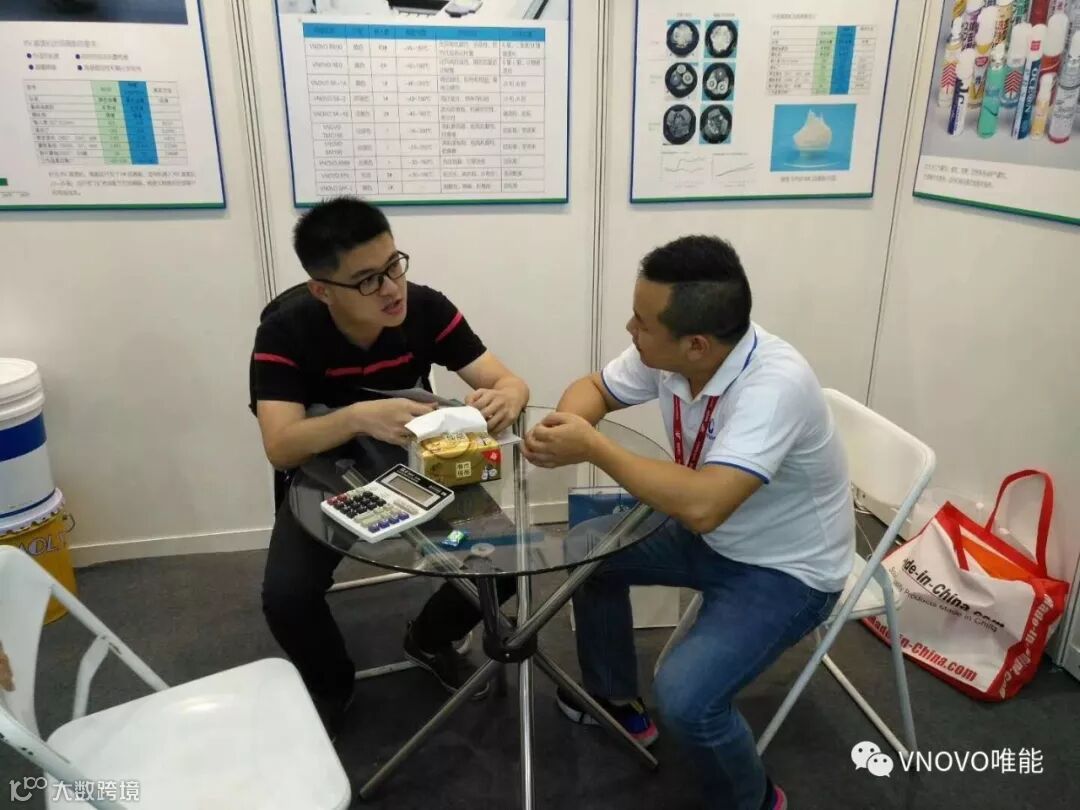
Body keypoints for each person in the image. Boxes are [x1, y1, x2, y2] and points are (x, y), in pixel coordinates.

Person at [523, 235, 854, 810]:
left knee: (687, 700)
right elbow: (595, 388)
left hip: (785, 570)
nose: (630, 328)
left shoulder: (775, 386)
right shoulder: (673, 354)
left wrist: (593, 447)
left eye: (643, 322)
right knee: (588, 552)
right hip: (711, 534)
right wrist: (565, 428)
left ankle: (755, 801)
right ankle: (613, 701)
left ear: (696, 344)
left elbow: (705, 504)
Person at [251, 197, 528, 736]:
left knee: (504, 567)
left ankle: (428, 638)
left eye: (394, 265)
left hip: (416, 463)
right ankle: (332, 685)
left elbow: (506, 380)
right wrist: (359, 417)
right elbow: (281, 446)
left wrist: (508, 396)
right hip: (326, 470)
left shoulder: (426, 308)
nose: (391, 289)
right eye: (367, 280)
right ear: (322, 290)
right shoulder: (285, 332)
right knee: (286, 597)